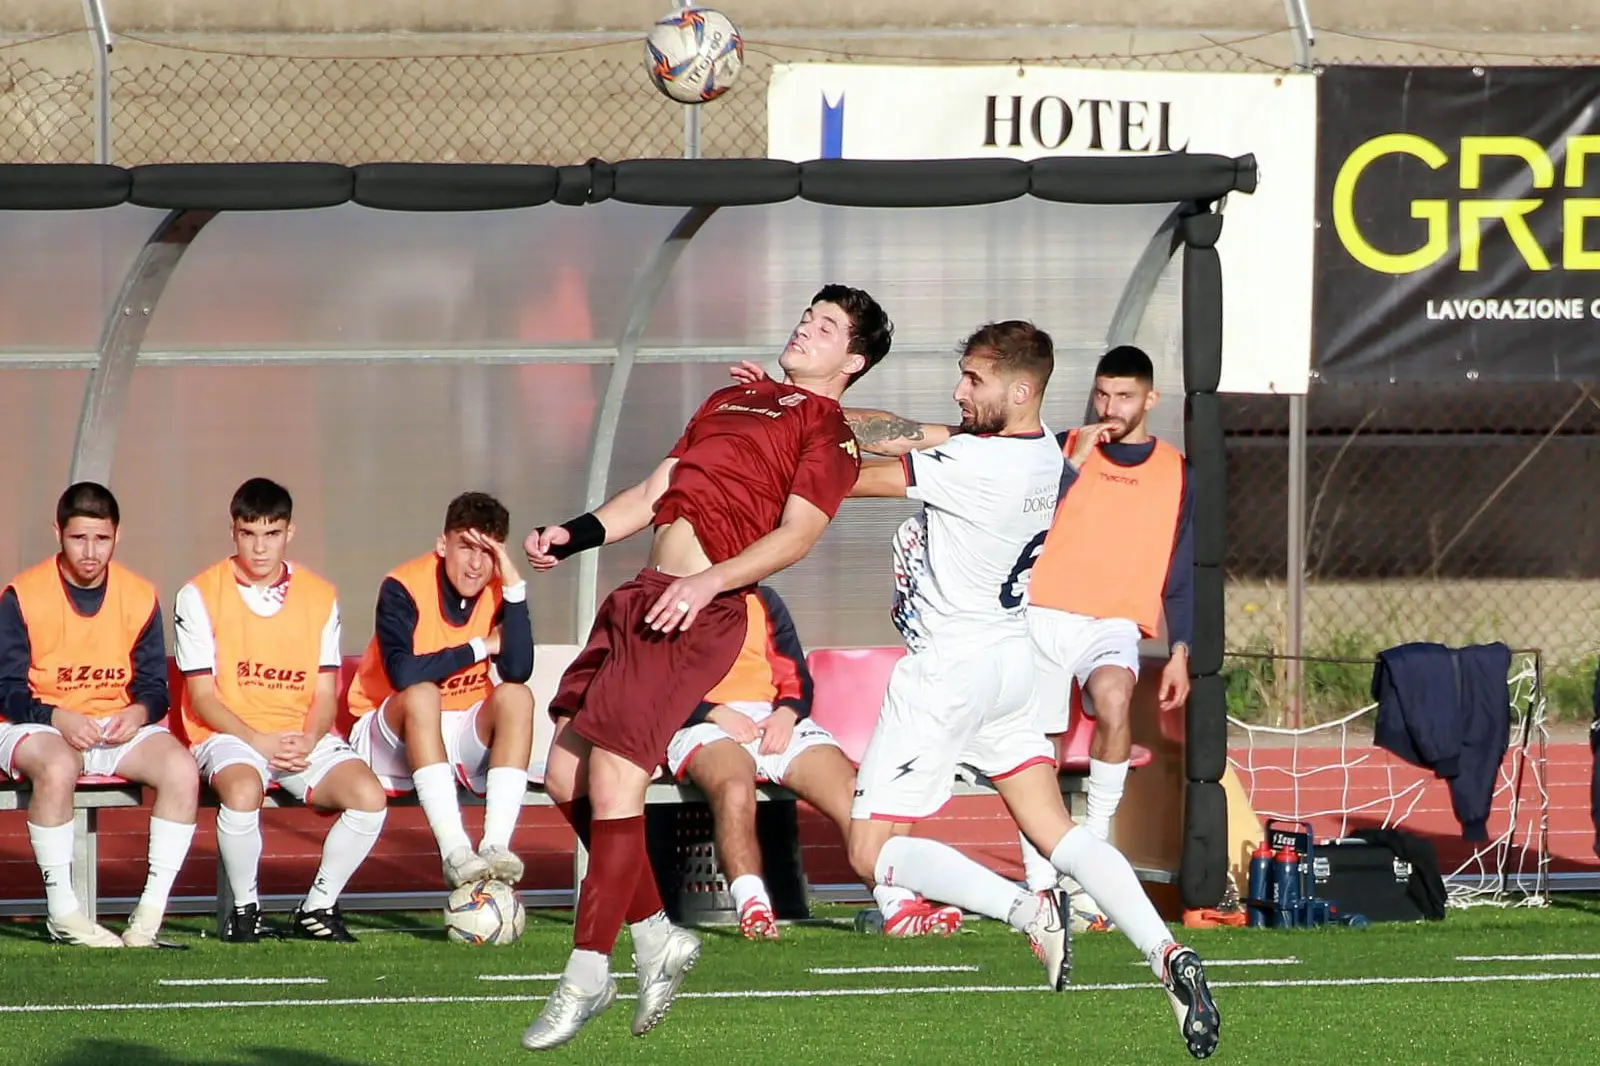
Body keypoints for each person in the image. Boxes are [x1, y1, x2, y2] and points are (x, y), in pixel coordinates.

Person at [519, 283, 892, 1051]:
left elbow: (797, 535)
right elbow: (657, 490)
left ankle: (588, 973)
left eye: (827, 327)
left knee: (619, 780)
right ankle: (657, 935)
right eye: (806, 315)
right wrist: (574, 533)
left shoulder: (829, 429)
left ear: (852, 360)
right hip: (643, 597)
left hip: (696, 609)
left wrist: (708, 581)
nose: (806, 326)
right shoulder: (734, 400)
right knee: (564, 777)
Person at [839, 322, 1220, 1060]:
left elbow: (851, 477)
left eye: (973, 380)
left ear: (1018, 389)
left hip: (949, 672)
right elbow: (908, 432)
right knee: (1060, 833)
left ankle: (1025, 909)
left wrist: (773, 438)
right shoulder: (1046, 450)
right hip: (1010, 665)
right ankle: (1166, 954)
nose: (958, 391)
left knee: (868, 853)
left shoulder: (977, 465)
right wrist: (807, 405)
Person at [664, 584, 960, 940]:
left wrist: (788, 713)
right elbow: (651, 684)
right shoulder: (664, 600)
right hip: (702, 723)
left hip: (772, 718)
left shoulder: (764, 600)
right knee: (734, 790)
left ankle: (897, 905)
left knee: (854, 794)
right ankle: (753, 906)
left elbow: (795, 675)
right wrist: (712, 712)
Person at [1015, 345, 1194, 907]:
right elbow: (1020, 516)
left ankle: (1094, 852)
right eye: (1102, 393)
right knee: (1036, 743)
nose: (1110, 406)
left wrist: (1182, 648)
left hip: (1113, 622)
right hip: (1043, 613)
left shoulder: (1177, 471)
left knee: (1116, 701)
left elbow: (1183, 566)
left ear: (1150, 399)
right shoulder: (1063, 448)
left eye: (1124, 395)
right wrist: (1069, 467)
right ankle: (1039, 880)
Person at [174, 478, 389, 943]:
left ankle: (318, 908)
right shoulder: (199, 593)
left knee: (369, 799)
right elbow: (203, 697)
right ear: (234, 531)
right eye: (249, 534)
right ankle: (246, 910)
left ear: (289, 533)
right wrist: (258, 741)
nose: (259, 548)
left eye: (271, 534)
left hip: (298, 735)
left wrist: (310, 739)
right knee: (244, 787)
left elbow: (326, 690)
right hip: (229, 734)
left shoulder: (319, 594)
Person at [0, 482, 198, 948]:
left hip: (112, 727)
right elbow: (6, 690)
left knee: (181, 768)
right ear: (58, 533)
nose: (90, 552)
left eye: (102, 539)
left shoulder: (139, 593)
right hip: (36, 726)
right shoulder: (21, 595)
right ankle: (63, 914)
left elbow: (155, 688)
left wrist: (139, 711)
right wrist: (56, 716)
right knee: (57, 764)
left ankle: (148, 916)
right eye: (79, 538)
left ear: (117, 536)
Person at [345, 492, 535, 890]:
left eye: (488, 551)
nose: (476, 564)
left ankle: (495, 846)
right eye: (466, 547)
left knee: (517, 697)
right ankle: (454, 852)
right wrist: (481, 647)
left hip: (458, 728)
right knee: (422, 694)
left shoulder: (500, 587)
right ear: (442, 544)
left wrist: (515, 585)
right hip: (388, 730)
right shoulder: (402, 586)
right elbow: (403, 674)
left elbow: (518, 669)